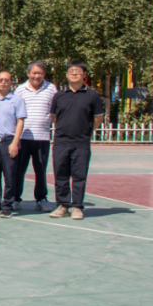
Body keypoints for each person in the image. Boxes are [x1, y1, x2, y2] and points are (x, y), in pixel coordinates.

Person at [49, 61, 104, 220]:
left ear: (84, 74)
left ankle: (77, 207)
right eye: (71, 71)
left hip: (81, 143)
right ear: (66, 75)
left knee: (79, 176)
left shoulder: (92, 95)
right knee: (61, 175)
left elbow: (98, 118)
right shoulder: (59, 95)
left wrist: (86, 131)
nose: (74, 73)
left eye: (78, 71)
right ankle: (62, 205)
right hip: (61, 142)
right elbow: (53, 117)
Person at [14, 61, 56, 212]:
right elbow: (15, 112)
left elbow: (55, 111)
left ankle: (41, 199)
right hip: (23, 137)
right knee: (19, 170)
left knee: (40, 170)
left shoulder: (51, 89)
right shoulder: (20, 90)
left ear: (44, 74)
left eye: (40, 73)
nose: (37, 76)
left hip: (42, 137)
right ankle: (15, 198)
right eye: (34, 73)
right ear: (28, 73)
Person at [0, 70, 26, 217]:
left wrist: (15, 142)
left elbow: (20, 122)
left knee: (10, 175)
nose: (3, 82)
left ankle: (7, 204)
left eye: (7, 80)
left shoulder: (17, 100)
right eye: (1, 80)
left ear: (11, 82)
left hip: (8, 141)